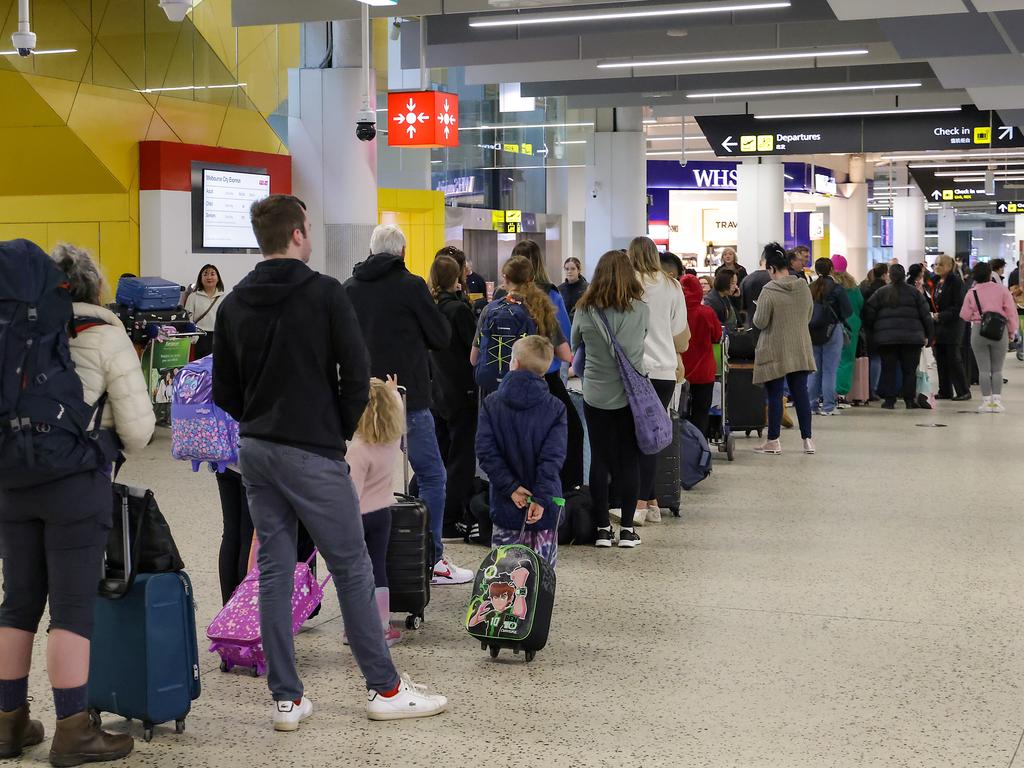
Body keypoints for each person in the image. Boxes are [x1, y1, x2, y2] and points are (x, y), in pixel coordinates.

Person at [214, 196, 448, 729]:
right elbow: (356, 369)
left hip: (256, 448)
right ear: (298, 234)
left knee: (274, 568)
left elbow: (224, 388)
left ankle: (287, 699)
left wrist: (260, 418)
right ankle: (384, 688)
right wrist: (336, 429)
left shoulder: (233, 304)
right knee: (351, 564)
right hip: (313, 449)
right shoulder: (323, 293)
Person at [0, 242, 155, 765]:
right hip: (75, 486)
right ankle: (72, 730)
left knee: (17, 601)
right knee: (70, 609)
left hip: (11, 478)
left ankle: (8, 723)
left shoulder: (17, 328)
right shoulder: (107, 336)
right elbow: (137, 432)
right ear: (94, 287)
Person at [344, 224, 472, 586]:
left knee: (365, 479)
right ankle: (431, 559)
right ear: (402, 253)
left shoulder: (349, 287)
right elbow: (440, 335)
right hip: (406, 397)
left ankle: (367, 560)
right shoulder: (412, 285)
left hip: (362, 400)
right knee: (432, 474)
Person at [484, 241, 583, 490]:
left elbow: (478, 353)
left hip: (502, 382)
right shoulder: (548, 297)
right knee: (571, 429)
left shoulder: (496, 302)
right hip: (543, 380)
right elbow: (564, 349)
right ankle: (568, 490)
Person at [570, 250, 649, 548]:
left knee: (600, 459)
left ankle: (603, 528)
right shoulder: (640, 309)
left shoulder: (585, 308)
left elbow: (575, 341)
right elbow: (641, 338)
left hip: (595, 393)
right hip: (631, 396)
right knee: (629, 459)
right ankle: (627, 529)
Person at [476, 336, 567, 566]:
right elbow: (552, 459)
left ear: (513, 363)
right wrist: (541, 497)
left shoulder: (491, 403)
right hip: (544, 508)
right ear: (545, 370)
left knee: (503, 577)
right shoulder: (556, 408)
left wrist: (511, 487)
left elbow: (486, 452)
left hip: (506, 503)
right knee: (540, 576)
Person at [627, 236, 687, 525]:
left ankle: (639, 501)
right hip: (665, 369)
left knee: (639, 439)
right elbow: (679, 329)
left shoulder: (627, 284)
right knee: (652, 437)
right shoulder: (672, 285)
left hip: (638, 369)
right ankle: (651, 501)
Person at [347, 376, 405, 647]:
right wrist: (391, 392)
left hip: (357, 518)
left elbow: (351, 493)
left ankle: (353, 629)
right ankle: (382, 627)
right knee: (378, 567)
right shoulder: (392, 438)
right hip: (383, 513)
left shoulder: (358, 449)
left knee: (354, 573)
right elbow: (396, 405)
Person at [428, 253, 479, 539]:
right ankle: (451, 517)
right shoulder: (459, 311)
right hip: (462, 391)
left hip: (437, 391)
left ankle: (439, 516)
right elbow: (474, 349)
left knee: (442, 455)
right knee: (461, 457)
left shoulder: (429, 308)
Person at [751, 242, 815, 455]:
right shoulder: (803, 287)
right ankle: (807, 441)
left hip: (774, 348)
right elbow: (808, 316)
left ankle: (773, 441)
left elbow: (760, 322)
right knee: (801, 394)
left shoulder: (768, 290)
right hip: (800, 346)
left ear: (771, 268)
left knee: (775, 395)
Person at [862, 264, 934, 410]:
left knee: (889, 369)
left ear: (890, 275)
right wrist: (930, 335)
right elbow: (926, 315)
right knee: (909, 371)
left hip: (886, 339)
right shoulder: (915, 293)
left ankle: (889, 400)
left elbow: (868, 312)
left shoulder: (881, 293)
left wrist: (873, 330)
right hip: (912, 339)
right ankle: (909, 400)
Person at [960, 261, 1018, 412]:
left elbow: (964, 316)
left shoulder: (971, 292)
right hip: (1000, 330)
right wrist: (1012, 332)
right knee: (997, 369)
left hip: (979, 330)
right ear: (990, 274)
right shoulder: (1002, 290)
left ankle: (986, 402)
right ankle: (997, 401)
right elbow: (1011, 313)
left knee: (983, 369)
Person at [807, 257, 853, 416]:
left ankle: (811, 405)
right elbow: (848, 311)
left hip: (812, 332)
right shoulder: (837, 288)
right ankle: (828, 406)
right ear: (832, 269)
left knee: (814, 370)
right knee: (830, 370)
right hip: (832, 330)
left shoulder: (810, 287)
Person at [681, 274, 723, 438]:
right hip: (703, 370)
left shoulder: (674, 313)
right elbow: (717, 336)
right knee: (701, 412)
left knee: (677, 412)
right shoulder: (707, 313)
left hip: (680, 370)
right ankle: (699, 447)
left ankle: (681, 448)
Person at [929, 255, 970, 402]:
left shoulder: (956, 282)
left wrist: (941, 316)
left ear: (948, 266)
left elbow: (958, 306)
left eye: (940, 264)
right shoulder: (935, 282)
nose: (937, 267)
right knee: (940, 358)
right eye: (935, 264)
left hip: (952, 325)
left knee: (953, 359)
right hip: (938, 326)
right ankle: (945, 390)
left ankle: (963, 391)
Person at [831, 256, 863, 406]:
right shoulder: (853, 286)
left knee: (828, 361)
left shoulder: (827, 285)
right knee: (846, 361)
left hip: (831, 326)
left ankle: (826, 394)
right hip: (851, 326)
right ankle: (842, 395)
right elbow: (860, 305)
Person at [185, 264, 224, 359]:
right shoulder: (193, 297)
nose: (209, 277)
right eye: (205, 274)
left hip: (219, 337)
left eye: (212, 274)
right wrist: (193, 337)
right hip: (200, 338)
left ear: (218, 278)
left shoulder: (224, 297)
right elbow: (187, 319)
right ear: (200, 278)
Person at [739, 254, 771, 327]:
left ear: (760, 262)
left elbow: (742, 307)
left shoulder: (746, 280)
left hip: (751, 323)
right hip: (769, 326)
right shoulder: (774, 280)